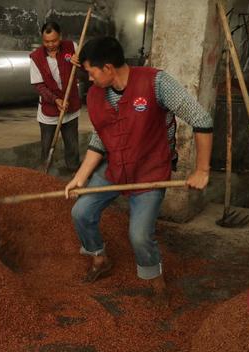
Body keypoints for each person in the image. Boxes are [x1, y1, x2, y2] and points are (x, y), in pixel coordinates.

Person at [64, 37, 213, 303]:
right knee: (81, 211)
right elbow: (100, 138)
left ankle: (156, 283)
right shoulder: (98, 94)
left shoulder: (156, 82)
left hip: (150, 170)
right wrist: (80, 177)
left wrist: (202, 169)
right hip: (115, 166)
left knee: (140, 235)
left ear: (108, 68)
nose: (88, 77)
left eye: (90, 71)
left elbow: (201, 119)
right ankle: (99, 258)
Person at [30, 21, 81, 173]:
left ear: (61, 37)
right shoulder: (36, 57)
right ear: (42, 39)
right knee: (47, 144)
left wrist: (79, 64)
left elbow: (86, 72)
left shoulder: (73, 47)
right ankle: (45, 171)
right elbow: (39, 85)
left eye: (54, 40)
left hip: (71, 106)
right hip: (49, 109)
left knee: (72, 143)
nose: (51, 44)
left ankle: (73, 169)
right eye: (46, 41)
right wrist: (55, 100)